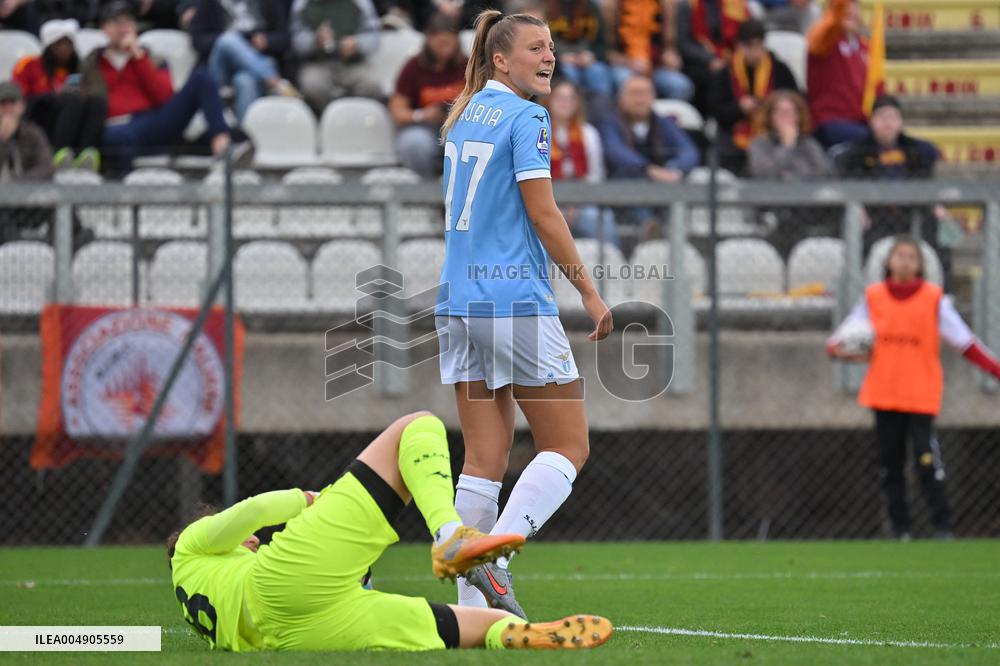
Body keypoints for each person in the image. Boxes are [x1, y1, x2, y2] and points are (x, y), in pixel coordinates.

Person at [436, 9, 614, 618]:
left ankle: (470, 606)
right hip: (512, 303)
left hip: (457, 301)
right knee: (568, 446)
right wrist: (590, 291)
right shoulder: (528, 116)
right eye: (536, 48)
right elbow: (543, 215)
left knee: (484, 458)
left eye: (552, 47)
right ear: (501, 60)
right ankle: (495, 562)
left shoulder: (463, 116)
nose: (549, 57)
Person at [168, 410, 613, 651]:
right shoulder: (191, 545)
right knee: (416, 427)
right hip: (277, 586)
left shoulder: (194, 607)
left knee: (451, 627)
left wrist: (97, 638)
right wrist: (309, 501)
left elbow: (112, 637)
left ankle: (515, 634)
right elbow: (253, 511)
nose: (248, 542)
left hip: (287, 637)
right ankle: (448, 535)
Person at [827, 237, 1000, 540]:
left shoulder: (934, 300)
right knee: (890, 465)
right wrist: (847, 351)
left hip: (920, 394)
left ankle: (942, 525)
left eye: (911, 257)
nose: (905, 261)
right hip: (884, 392)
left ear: (921, 265)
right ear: (888, 262)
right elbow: (836, 343)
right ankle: (900, 529)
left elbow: (965, 342)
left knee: (925, 459)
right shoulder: (873, 298)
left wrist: (996, 370)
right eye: (899, 255)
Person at [81, 2, 246, 176]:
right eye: (117, 22)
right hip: (115, 126)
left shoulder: (151, 57)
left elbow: (164, 97)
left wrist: (138, 57)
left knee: (201, 78)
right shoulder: (91, 63)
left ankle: (222, 143)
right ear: (104, 29)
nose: (124, 28)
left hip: (152, 121)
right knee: (115, 137)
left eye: (128, 22)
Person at [600, 74, 698, 240]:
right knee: (629, 179)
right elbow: (615, 152)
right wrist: (647, 169)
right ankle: (649, 226)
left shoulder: (663, 123)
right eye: (635, 93)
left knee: (679, 182)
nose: (641, 99)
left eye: (645, 93)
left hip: (663, 186)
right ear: (621, 98)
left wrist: (676, 169)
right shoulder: (610, 123)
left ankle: (677, 234)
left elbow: (689, 151)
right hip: (623, 193)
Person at [12, 18, 106, 171]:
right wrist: (53, 96)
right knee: (71, 99)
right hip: (38, 118)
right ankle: (58, 154)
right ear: (49, 46)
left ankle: (85, 153)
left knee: (97, 102)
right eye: (59, 44)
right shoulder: (29, 64)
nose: (65, 49)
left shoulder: (78, 69)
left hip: (72, 118)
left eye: (69, 43)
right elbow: (19, 98)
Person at [747, 90, 833, 258]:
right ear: (770, 116)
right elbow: (763, 175)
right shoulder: (759, 144)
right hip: (773, 207)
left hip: (808, 206)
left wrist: (788, 175)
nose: (787, 117)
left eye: (792, 112)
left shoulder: (809, 144)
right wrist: (787, 146)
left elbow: (823, 173)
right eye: (781, 112)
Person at [707, 19, 798, 173]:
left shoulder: (780, 70)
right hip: (734, 135)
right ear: (739, 46)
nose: (755, 53)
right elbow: (716, 110)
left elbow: (795, 100)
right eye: (750, 47)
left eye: (759, 46)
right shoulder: (726, 73)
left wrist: (769, 109)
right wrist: (739, 109)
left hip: (773, 133)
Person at [187, 0, 300, 123]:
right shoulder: (209, 3)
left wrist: (267, 41)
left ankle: (244, 135)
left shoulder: (270, 3)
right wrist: (230, 42)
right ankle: (273, 77)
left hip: (251, 68)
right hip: (220, 67)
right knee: (228, 40)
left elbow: (285, 38)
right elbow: (197, 41)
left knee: (245, 81)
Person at [390, 12, 467, 179]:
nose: (443, 47)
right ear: (428, 41)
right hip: (423, 126)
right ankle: (426, 191)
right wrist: (422, 115)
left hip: (460, 125)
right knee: (414, 143)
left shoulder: (468, 66)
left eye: (447, 42)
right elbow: (397, 110)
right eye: (439, 43)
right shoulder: (413, 67)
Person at [544, 79, 618, 247]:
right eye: (559, 97)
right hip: (548, 202)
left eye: (570, 98)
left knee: (601, 218)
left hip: (583, 203)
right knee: (541, 222)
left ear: (577, 103)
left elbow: (595, 177)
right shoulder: (538, 132)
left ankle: (612, 265)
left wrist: (575, 205)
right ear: (549, 100)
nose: (565, 103)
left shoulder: (589, 133)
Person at [807, 0, 882, 148]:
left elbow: (877, 89)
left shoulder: (864, 48)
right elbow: (824, 31)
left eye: (855, 10)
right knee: (875, 142)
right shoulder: (824, 42)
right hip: (829, 123)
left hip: (861, 123)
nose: (852, 13)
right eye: (845, 11)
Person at [290, 0, 384, 112]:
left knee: (371, 84)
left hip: (355, 63)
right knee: (312, 85)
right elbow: (296, 41)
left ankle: (358, 118)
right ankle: (328, 120)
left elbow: (374, 37)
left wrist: (358, 44)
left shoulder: (361, 2)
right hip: (318, 63)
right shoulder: (302, 4)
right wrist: (314, 40)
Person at [605, 0, 693, 101]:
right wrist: (628, 62)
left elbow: (670, 45)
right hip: (625, 66)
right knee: (625, 81)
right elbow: (606, 51)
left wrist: (670, 55)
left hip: (656, 67)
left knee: (681, 86)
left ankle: (664, 116)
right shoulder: (612, 6)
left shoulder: (665, 4)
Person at [0, 79, 54, 244]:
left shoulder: (33, 133)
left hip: (28, 200)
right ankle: (13, 252)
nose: (8, 108)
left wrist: (16, 184)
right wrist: (3, 142)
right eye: (3, 103)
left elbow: (46, 168)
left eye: (13, 103)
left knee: (62, 210)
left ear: (22, 106)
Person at [677, 0, 749, 112]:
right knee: (708, 76)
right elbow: (684, 44)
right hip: (698, 61)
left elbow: (745, 35)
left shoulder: (734, 4)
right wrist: (710, 60)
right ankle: (710, 116)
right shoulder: (688, 5)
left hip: (729, 57)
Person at [545, 0, 613, 98]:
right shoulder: (547, 6)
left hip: (587, 59)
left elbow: (603, 45)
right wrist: (559, 57)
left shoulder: (592, 8)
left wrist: (592, 55)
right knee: (569, 72)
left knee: (598, 72)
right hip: (559, 60)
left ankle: (600, 110)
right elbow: (542, 42)